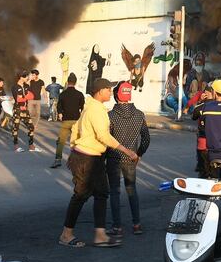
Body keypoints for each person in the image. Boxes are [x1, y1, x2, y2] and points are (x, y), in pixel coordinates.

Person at [58, 78, 139, 248]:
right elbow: (104, 136)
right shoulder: (96, 110)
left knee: (102, 193)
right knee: (80, 195)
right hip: (86, 158)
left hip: (91, 157)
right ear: (100, 91)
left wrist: (75, 145)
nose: (111, 93)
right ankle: (66, 234)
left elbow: (75, 130)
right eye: (109, 90)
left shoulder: (93, 107)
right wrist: (127, 151)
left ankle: (100, 235)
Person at [106, 81, 151, 237]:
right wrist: (138, 154)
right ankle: (136, 224)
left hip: (113, 158)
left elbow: (106, 140)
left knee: (114, 192)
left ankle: (117, 227)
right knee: (132, 190)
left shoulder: (110, 116)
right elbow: (146, 139)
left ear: (116, 96)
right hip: (131, 158)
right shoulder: (139, 115)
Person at [52, 73, 86, 168]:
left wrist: (60, 114)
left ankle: (58, 160)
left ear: (67, 82)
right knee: (77, 142)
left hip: (66, 122)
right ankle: (79, 161)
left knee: (61, 141)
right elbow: (83, 108)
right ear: (75, 82)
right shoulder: (79, 94)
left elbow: (59, 107)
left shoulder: (63, 94)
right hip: (76, 121)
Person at [11, 71, 38, 152]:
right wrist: (26, 96)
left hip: (25, 110)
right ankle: (16, 146)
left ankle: (31, 146)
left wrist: (24, 97)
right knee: (15, 128)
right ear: (20, 77)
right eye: (26, 76)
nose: (27, 78)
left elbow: (32, 96)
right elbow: (18, 99)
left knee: (31, 127)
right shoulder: (14, 87)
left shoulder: (26, 86)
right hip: (17, 109)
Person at [191, 86, 214, 178]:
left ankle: (201, 171)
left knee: (203, 163)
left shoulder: (201, 106)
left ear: (207, 93)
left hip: (203, 140)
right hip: (218, 141)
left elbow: (193, 116)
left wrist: (200, 101)